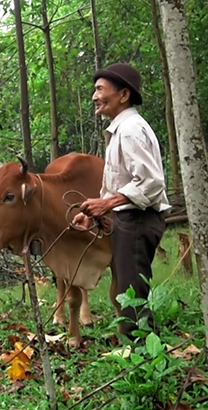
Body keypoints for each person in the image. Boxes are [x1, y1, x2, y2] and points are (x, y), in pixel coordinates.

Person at [73, 63, 170, 340]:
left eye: (100, 90)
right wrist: (94, 212)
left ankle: (143, 360)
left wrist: (107, 205)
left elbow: (151, 183)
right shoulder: (121, 130)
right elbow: (119, 181)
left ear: (123, 95)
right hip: (128, 219)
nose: (94, 96)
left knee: (131, 297)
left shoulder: (130, 130)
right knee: (129, 292)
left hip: (138, 221)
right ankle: (142, 352)